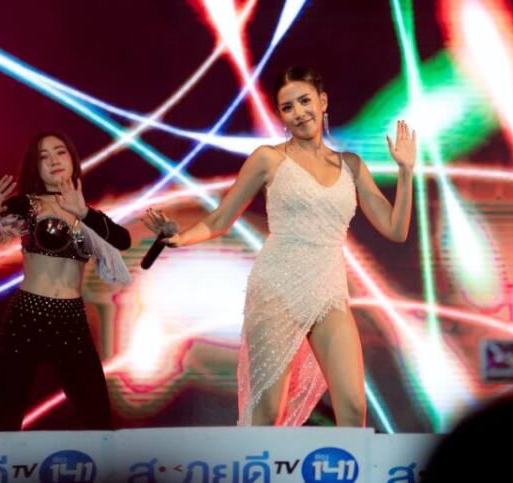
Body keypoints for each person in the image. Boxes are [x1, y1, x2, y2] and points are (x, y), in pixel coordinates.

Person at [144, 65, 416, 426]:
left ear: (322, 101)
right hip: (277, 288)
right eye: (288, 107)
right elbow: (220, 218)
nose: (299, 112)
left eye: (304, 101)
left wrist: (406, 172)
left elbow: (396, 229)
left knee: (353, 407)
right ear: (281, 115)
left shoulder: (351, 166)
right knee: (269, 409)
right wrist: (180, 237)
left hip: (329, 292)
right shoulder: (268, 159)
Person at [0, 130, 132, 430]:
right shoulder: (27, 204)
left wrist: (83, 212)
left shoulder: (88, 214)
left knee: (98, 420)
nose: (53, 161)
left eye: (60, 152)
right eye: (43, 157)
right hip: (28, 317)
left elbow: (122, 241)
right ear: (36, 168)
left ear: (72, 159)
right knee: (6, 419)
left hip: (71, 320)